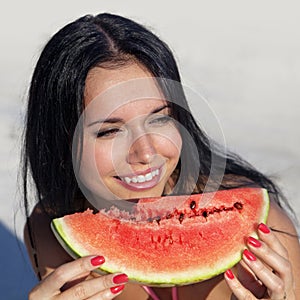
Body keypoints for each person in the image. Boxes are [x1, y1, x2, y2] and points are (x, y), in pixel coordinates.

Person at [22, 13, 300, 299]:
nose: (146, 152)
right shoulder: (50, 232)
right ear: (61, 139)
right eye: (109, 131)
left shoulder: (262, 235)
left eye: (159, 119)